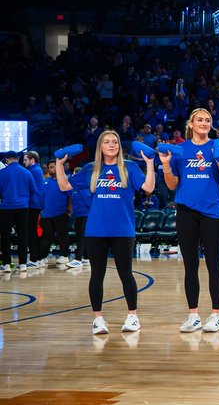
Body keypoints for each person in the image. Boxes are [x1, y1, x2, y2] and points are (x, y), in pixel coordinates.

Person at [57, 131, 156, 335]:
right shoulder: (91, 169)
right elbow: (64, 185)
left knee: (126, 274)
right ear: (100, 146)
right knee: (97, 275)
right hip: (96, 230)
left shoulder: (129, 167)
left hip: (123, 229)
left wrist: (150, 163)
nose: (111, 145)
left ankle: (132, 316)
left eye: (115, 142)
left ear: (119, 146)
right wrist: (59, 164)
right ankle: (98, 320)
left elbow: (148, 187)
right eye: (107, 142)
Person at [161, 109, 219, 333]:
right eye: (200, 120)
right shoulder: (180, 149)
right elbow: (172, 185)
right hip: (186, 212)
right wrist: (166, 164)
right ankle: (193, 315)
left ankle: (215, 315)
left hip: (212, 212)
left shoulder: (218, 146)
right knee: (190, 265)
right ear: (191, 124)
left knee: (214, 264)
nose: (204, 123)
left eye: (208, 120)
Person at [0, 151, 37, 272]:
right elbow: (33, 190)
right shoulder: (27, 172)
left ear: (6, 160)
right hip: (23, 207)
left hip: (6, 207)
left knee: (5, 236)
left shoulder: (2, 173)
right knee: (23, 235)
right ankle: (23, 264)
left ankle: (6, 264)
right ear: (18, 159)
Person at [39, 160, 72, 265]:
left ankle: (64, 256)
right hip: (47, 214)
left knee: (63, 236)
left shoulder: (65, 181)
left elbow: (70, 196)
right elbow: (42, 198)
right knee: (46, 237)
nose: (49, 169)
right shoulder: (45, 181)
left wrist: (68, 210)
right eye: (49, 167)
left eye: (52, 167)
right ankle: (43, 257)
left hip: (61, 213)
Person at [23, 152, 45, 268]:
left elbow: (29, 188)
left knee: (31, 232)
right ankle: (37, 257)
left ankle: (34, 259)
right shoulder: (37, 170)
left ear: (32, 160)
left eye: (25, 160)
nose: (24, 162)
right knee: (33, 231)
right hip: (35, 203)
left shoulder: (33, 171)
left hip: (33, 204)